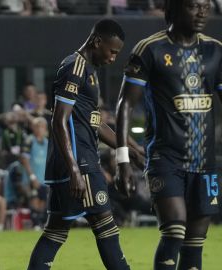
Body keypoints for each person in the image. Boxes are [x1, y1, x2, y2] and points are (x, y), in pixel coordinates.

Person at [115, 1, 221, 269]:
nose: (202, 12)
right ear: (174, 9)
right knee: (174, 231)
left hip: (205, 163)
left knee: (195, 243)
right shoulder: (150, 49)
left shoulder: (215, 51)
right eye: (194, 6)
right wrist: (123, 160)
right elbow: (125, 105)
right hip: (166, 159)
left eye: (206, 6)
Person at [27, 19, 134, 270]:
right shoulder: (75, 66)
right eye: (112, 51)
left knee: (55, 232)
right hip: (81, 163)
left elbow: (94, 123)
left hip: (75, 161)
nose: (113, 58)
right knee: (106, 227)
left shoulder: (88, 71)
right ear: (97, 42)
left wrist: (131, 150)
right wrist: (74, 168)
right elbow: (58, 120)